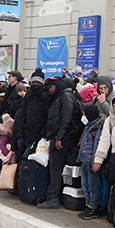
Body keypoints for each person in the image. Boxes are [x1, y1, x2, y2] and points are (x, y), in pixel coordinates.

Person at [37, 77, 82, 209]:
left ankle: (53, 198)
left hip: (63, 138)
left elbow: (66, 119)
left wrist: (59, 138)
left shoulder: (65, 97)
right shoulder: (61, 97)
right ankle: (54, 195)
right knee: (55, 168)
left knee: (55, 168)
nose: (50, 90)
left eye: (51, 87)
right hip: (60, 136)